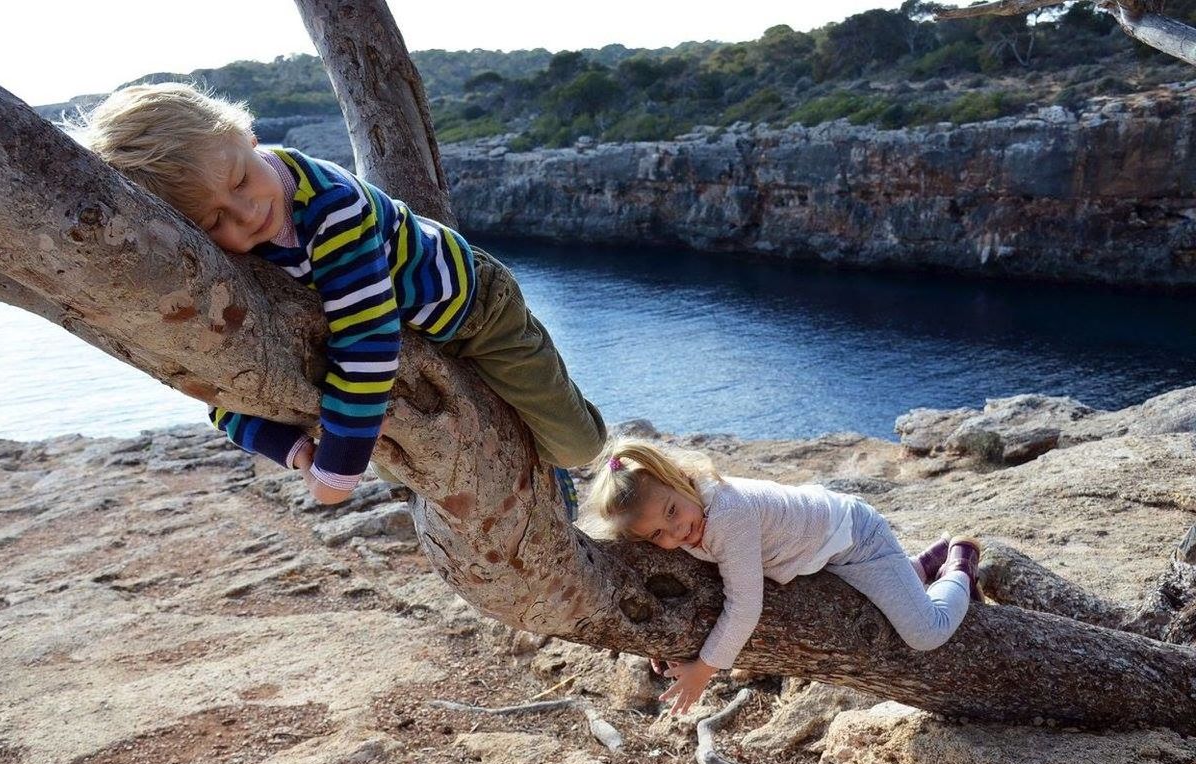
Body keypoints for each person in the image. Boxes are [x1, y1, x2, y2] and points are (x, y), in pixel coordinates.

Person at [71, 83, 605, 514]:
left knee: (573, 443)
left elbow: (367, 341)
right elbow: (214, 384)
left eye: (239, 180)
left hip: (470, 309)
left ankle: (559, 458)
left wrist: (335, 471)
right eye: (213, 221)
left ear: (248, 135)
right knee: (411, 473)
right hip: (407, 343)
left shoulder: (331, 207)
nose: (245, 213)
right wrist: (290, 449)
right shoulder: (219, 263)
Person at [582, 439, 981, 715]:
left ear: (679, 478)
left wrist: (704, 669)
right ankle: (920, 566)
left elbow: (744, 607)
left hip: (856, 538)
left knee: (926, 631)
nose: (676, 534)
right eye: (657, 535)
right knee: (885, 592)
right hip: (818, 550)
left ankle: (959, 560)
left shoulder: (727, 517)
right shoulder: (690, 513)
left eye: (672, 512)